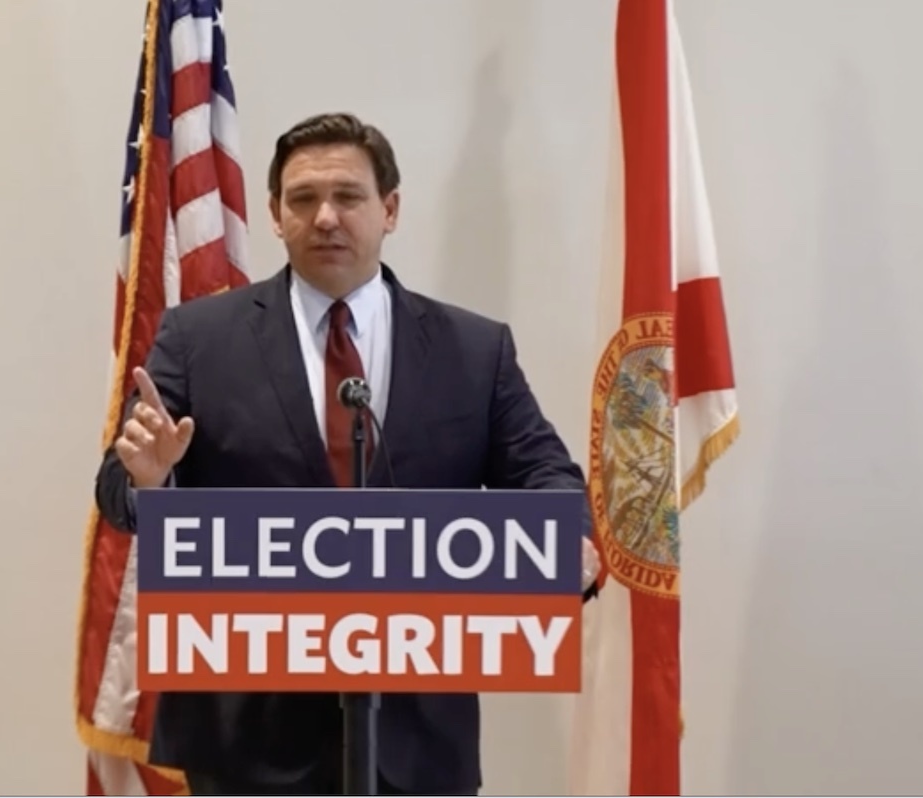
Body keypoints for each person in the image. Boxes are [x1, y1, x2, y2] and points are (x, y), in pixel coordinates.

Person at [95, 112, 598, 796]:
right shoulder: (197, 339)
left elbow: (545, 473)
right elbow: (118, 489)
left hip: (416, 740)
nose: (326, 217)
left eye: (348, 197)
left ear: (389, 209)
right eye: (302, 200)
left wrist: (563, 540)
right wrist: (150, 481)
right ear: (274, 214)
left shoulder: (473, 350)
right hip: (248, 737)